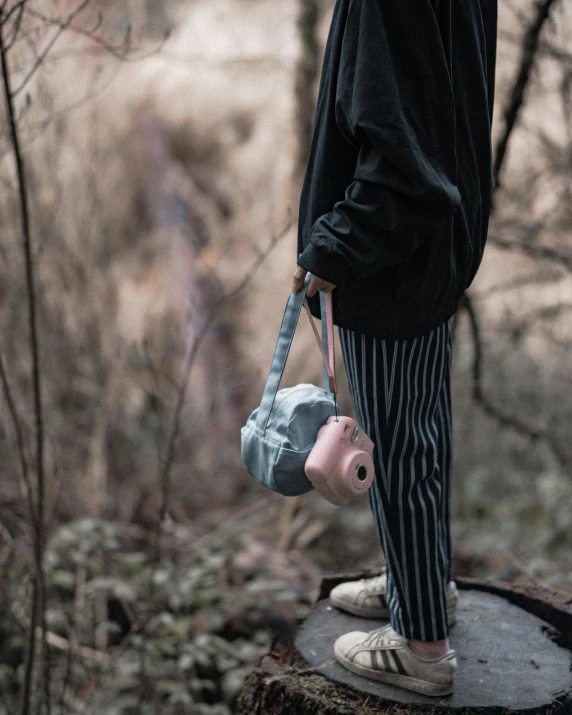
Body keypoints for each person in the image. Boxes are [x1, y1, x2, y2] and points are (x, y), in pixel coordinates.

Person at [291, 0, 497, 698]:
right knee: (418, 436)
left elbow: (402, 161)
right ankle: (423, 589)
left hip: (391, 258)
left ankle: (422, 646)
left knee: (399, 449)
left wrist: (335, 246)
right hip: (429, 250)